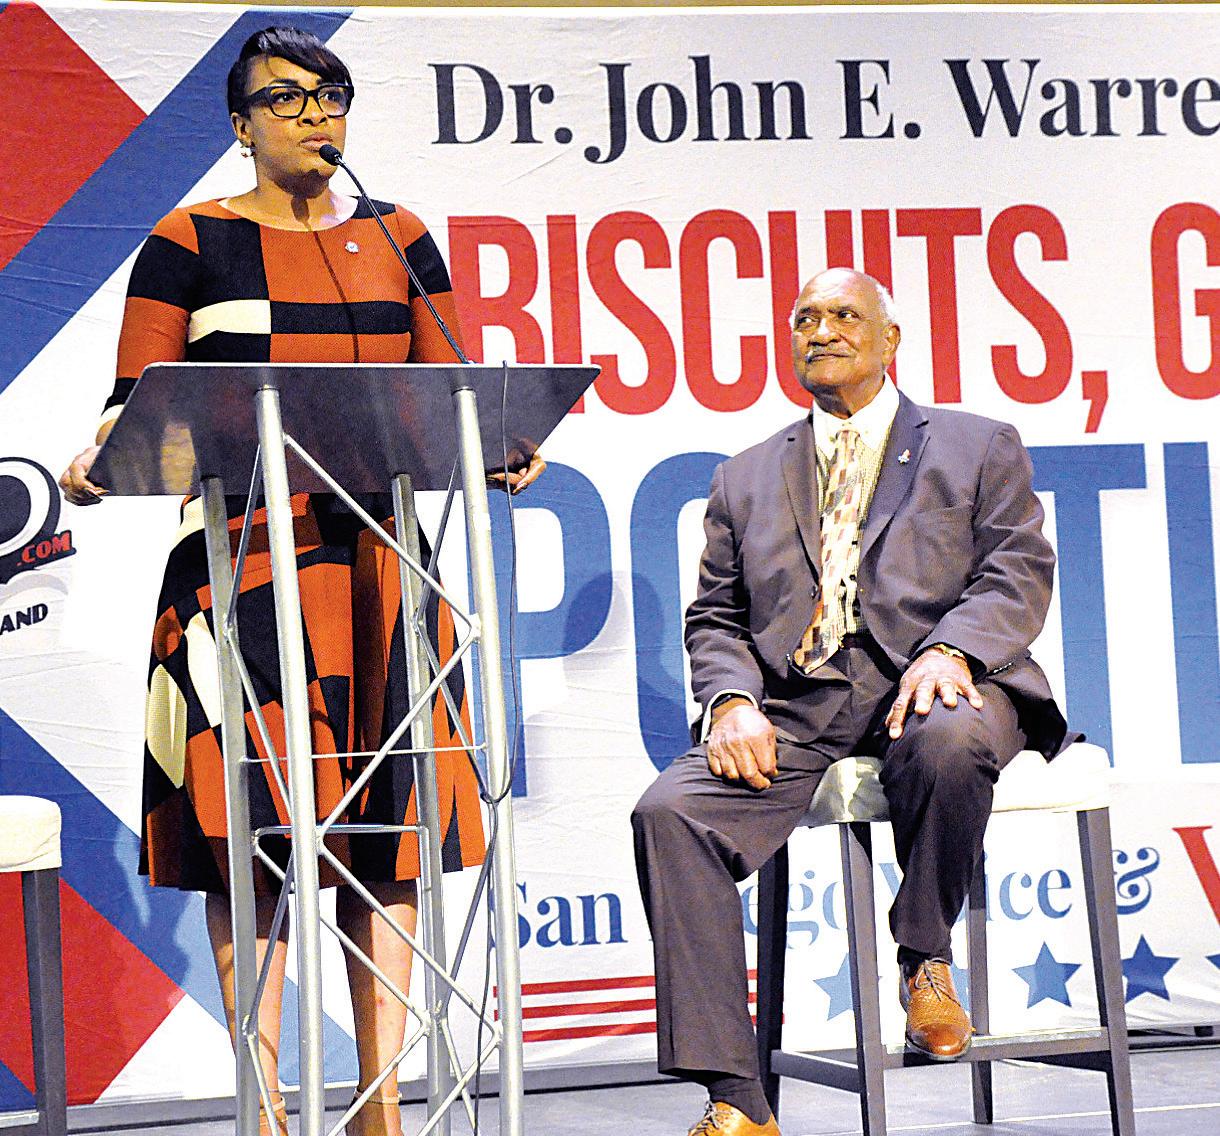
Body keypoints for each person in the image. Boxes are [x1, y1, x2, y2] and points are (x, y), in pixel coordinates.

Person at [59, 27, 541, 1136]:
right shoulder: (189, 240)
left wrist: (502, 443)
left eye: (331, 95)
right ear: (240, 125)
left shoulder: (399, 236)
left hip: (381, 570)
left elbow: (453, 394)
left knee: (390, 832)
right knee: (254, 836)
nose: (316, 113)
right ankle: (266, 1104)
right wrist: (98, 454)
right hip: (239, 570)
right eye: (285, 98)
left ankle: (380, 1102)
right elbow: (134, 403)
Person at [631, 268, 1073, 1136]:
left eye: (843, 315)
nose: (821, 331)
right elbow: (715, 616)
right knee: (670, 813)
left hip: (942, 680)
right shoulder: (745, 475)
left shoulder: (975, 443)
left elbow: (1016, 571)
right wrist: (731, 700)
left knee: (948, 738)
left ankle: (925, 956)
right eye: (805, 318)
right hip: (799, 702)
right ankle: (738, 1098)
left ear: (890, 338)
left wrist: (951, 648)